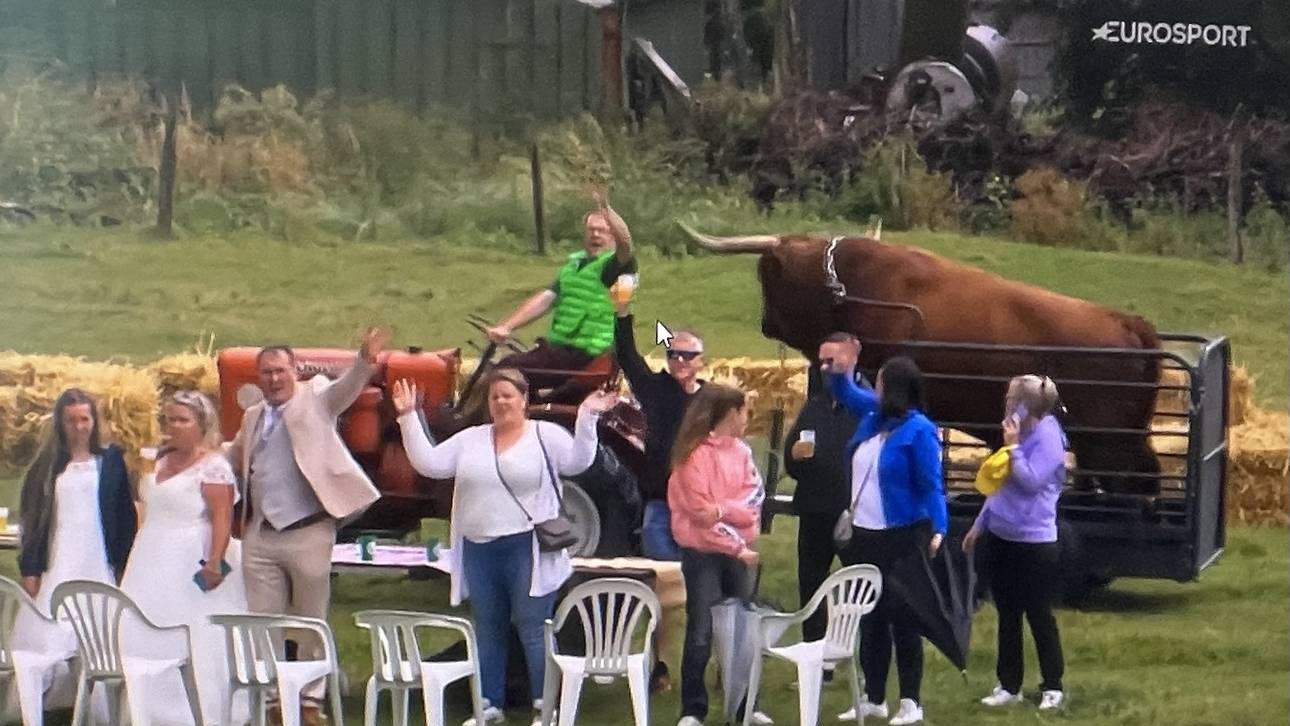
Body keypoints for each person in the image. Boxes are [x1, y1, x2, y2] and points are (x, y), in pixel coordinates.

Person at [393, 369, 616, 726]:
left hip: (525, 547)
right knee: (488, 627)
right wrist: (407, 417)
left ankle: (546, 706)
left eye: (507, 395)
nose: (500, 402)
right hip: (480, 547)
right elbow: (430, 464)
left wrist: (588, 417)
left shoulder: (545, 435)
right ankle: (489, 704)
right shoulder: (471, 440)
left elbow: (579, 461)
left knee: (532, 627)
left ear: (524, 400)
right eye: (494, 396)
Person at [225, 329, 386, 725]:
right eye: (266, 373)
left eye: (280, 371)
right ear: (258, 376)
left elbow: (347, 388)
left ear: (294, 371)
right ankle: (270, 703)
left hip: (308, 529)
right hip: (261, 533)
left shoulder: (316, 401)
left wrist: (364, 359)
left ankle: (310, 702)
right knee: (262, 621)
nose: (274, 379)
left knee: (309, 620)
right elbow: (232, 458)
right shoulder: (251, 416)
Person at [822, 340, 947, 726]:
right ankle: (874, 697)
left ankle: (910, 701)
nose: (872, 387)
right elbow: (845, 392)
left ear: (891, 387)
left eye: (878, 381)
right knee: (869, 617)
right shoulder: (874, 416)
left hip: (903, 533)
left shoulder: (919, 430)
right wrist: (836, 368)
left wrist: (939, 527)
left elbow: (931, 485)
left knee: (903, 618)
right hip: (864, 535)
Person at [121, 390, 250, 725]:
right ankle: (148, 710)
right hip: (150, 553)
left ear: (200, 424)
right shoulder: (158, 461)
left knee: (189, 633)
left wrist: (214, 562)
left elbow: (222, 519)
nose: (173, 426)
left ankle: (195, 712)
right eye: (169, 419)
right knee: (143, 626)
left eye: (182, 420)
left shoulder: (213, 467)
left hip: (189, 552)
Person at [12, 388, 136, 724]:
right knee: (51, 631)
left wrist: (125, 563)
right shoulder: (48, 466)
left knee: (99, 629)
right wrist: (32, 566)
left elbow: (125, 516)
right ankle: (40, 703)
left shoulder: (110, 461)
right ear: (61, 423)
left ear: (94, 422)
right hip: (61, 555)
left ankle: (96, 706)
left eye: (85, 419)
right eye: (72, 420)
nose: (80, 427)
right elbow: (33, 519)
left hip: (99, 556)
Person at [965, 374, 1068, 712]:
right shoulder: (1018, 433)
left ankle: (1053, 685)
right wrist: (981, 524)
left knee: (1038, 614)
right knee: (1007, 614)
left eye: (1011, 398)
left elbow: (1031, 482)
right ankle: (1009, 685)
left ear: (1026, 406)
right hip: (1002, 536)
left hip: (1035, 542)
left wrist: (1010, 448)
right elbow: (1000, 483)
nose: (1006, 403)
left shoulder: (1049, 438)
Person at [667, 384, 769, 726]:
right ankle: (693, 709)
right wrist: (736, 544)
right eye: (744, 412)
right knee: (701, 631)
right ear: (730, 413)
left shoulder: (742, 452)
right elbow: (698, 514)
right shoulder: (692, 456)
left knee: (743, 629)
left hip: (737, 553)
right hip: (703, 554)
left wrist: (724, 510)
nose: (746, 419)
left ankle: (745, 706)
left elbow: (754, 497)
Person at [484, 195, 636, 391]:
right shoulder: (574, 265)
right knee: (507, 364)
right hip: (561, 350)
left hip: (586, 354)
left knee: (506, 373)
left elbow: (626, 243)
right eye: (591, 230)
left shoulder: (615, 266)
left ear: (613, 236)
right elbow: (546, 298)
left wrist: (606, 207)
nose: (595, 235)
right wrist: (507, 327)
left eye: (603, 231)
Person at [783, 333, 867, 677]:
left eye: (832, 360)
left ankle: (859, 658)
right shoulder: (815, 403)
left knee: (857, 588)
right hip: (815, 510)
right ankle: (815, 661)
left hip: (853, 513)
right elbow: (792, 458)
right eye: (821, 360)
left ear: (853, 359)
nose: (824, 366)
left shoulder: (868, 405)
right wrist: (796, 457)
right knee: (811, 584)